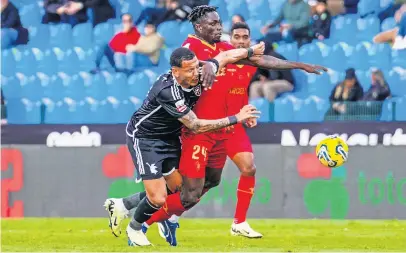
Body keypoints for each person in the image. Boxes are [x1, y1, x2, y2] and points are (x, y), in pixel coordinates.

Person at [105, 5, 327, 247]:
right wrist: (234, 113)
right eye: (213, 24)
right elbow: (196, 117)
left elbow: (246, 58)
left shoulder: (221, 47)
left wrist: (298, 65)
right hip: (191, 131)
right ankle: (139, 225)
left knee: (204, 183)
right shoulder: (189, 51)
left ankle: (126, 205)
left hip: (208, 130)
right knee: (184, 192)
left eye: (219, 22)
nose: (219, 27)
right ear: (199, 27)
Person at [105, 45, 264, 246]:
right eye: (189, 70)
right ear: (175, 72)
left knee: (181, 189)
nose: (195, 73)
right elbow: (196, 126)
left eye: (197, 67)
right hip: (145, 138)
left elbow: (225, 56)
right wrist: (236, 118)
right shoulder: (167, 91)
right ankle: (134, 229)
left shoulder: (200, 73)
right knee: (159, 198)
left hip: (170, 137)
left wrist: (250, 51)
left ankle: (122, 205)